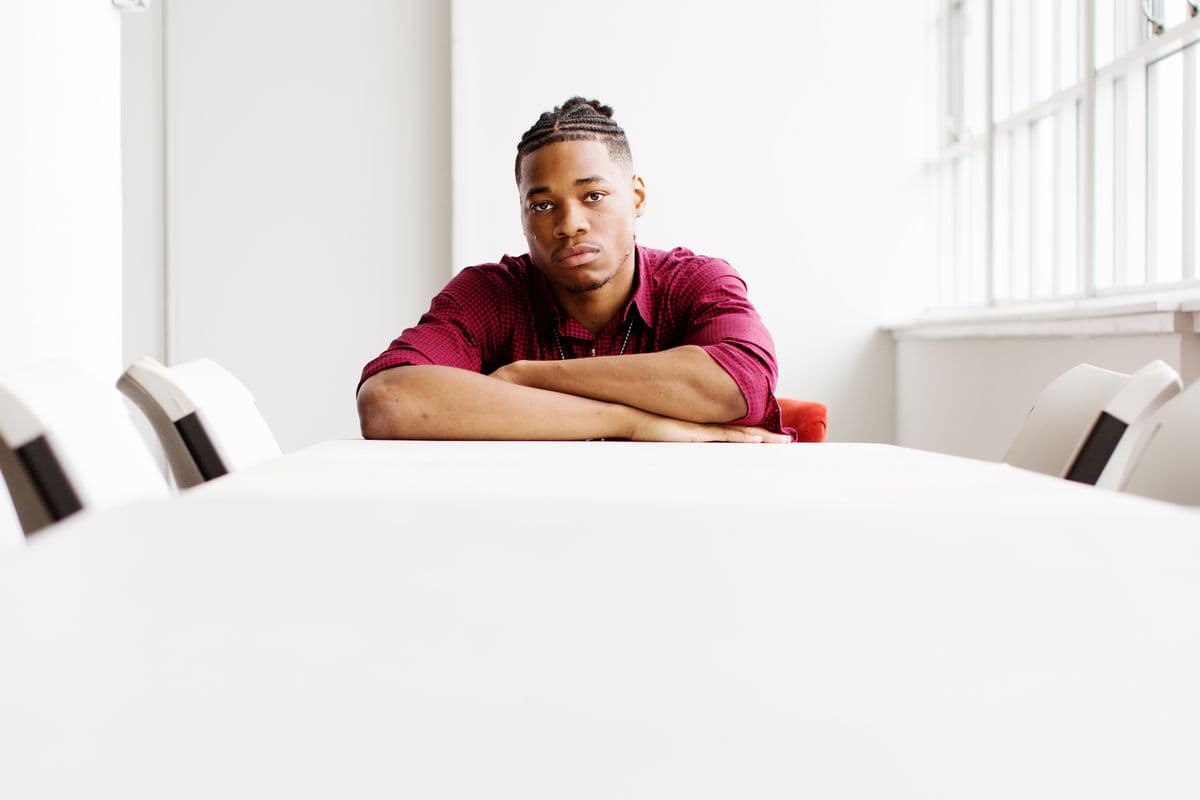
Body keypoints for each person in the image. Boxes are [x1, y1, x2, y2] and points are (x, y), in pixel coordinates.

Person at [357, 97, 793, 443]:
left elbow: (742, 384)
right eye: (543, 205)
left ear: (636, 197)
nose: (569, 225)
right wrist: (631, 423)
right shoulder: (490, 294)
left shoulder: (696, 282)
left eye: (593, 196)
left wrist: (525, 376)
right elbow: (388, 400)